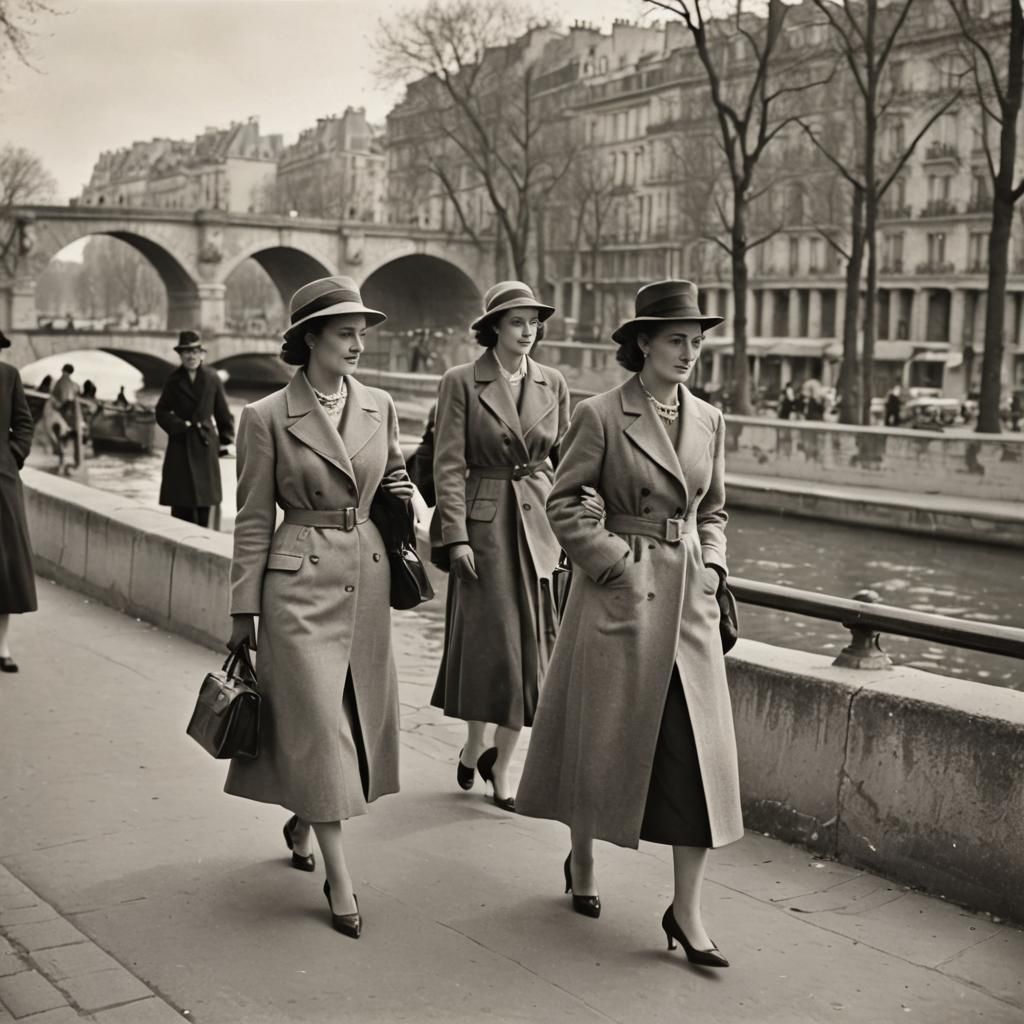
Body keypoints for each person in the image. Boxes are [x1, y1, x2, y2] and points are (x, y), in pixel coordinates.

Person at [517, 280, 743, 968]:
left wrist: (714, 570)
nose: (689, 353)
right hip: (620, 599)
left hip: (689, 610)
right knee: (600, 740)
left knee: (699, 764)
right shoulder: (601, 413)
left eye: (698, 342)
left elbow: (715, 511)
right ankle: (581, 857)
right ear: (642, 342)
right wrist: (611, 561)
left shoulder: (708, 419)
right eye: (677, 340)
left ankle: (687, 910)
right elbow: (565, 502)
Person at [225, 275, 412, 939]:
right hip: (296, 583)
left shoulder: (381, 406)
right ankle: (340, 876)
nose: (359, 343)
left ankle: (304, 817)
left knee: (346, 719)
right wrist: (242, 606)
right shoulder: (265, 416)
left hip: (366, 573)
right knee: (318, 720)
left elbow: (393, 479)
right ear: (310, 339)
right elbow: (251, 519)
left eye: (362, 332)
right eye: (345, 333)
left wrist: (415, 521)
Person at [430, 281, 570, 810]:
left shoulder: (553, 383)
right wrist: (456, 535)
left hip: (538, 521)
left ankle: (504, 765)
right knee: (490, 650)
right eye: (517, 322)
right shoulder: (460, 382)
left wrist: (570, 524)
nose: (528, 331)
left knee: (532, 656)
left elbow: (563, 459)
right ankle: (474, 747)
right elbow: (447, 464)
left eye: (534, 322)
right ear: (494, 328)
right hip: (484, 523)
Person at [155, 331, 234, 527]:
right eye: (186, 352)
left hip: (205, 443)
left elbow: (222, 411)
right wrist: (179, 426)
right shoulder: (173, 380)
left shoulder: (212, 378)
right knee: (182, 504)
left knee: (204, 501)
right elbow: (161, 411)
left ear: (202, 354)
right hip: (180, 444)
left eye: (194, 352)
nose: (191, 356)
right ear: (180, 355)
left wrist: (226, 440)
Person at [0, 331, 38, 672]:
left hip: (2, 483)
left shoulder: (9, 376)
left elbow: (24, 424)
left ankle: (2, 646)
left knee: (5, 567)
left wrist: (12, 454)